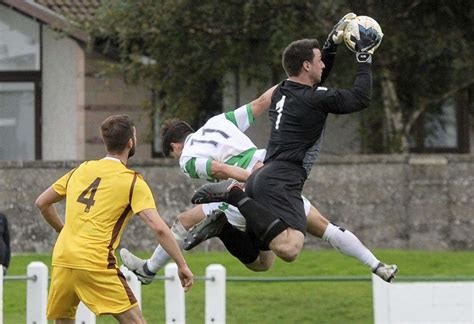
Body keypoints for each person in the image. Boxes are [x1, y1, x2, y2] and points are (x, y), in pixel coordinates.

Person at [121, 16, 396, 282]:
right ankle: (375, 264)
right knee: (304, 239)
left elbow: (217, 168)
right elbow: (260, 103)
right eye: (319, 61)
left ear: (174, 145)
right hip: (264, 173)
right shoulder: (219, 121)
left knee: (215, 236)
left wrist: (244, 180)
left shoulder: (187, 158)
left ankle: (153, 266)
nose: (321, 65)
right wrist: (348, 49)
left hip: (252, 179)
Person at [35, 115, 193, 324]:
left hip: (63, 258)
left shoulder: (82, 169)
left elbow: (42, 202)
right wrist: (181, 264)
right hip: (95, 262)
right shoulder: (132, 181)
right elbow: (160, 229)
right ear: (130, 142)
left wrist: (61, 230)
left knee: (63, 321)